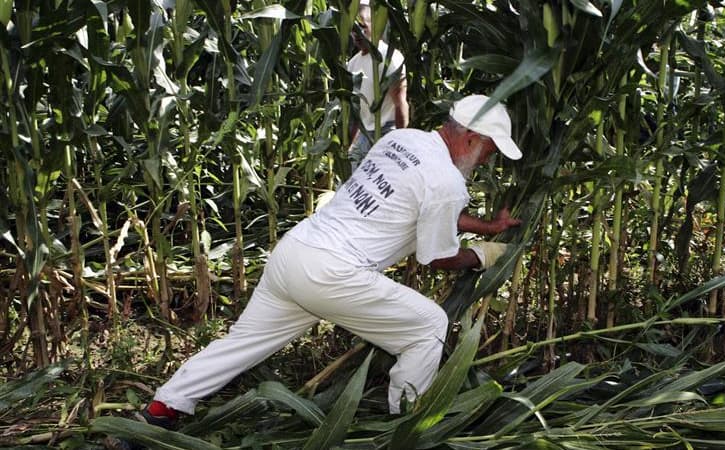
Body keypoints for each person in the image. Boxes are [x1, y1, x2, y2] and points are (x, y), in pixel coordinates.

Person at [106, 94, 522, 448]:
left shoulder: (402, 140)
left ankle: (159, 413)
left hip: (295, 252)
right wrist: (483, 255)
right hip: (333, 272)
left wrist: (486, 228)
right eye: (489, 151)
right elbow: (435, 256)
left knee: (241, 344)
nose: (486, 161)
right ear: (471, 138)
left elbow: (413, 204)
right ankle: (406, 427)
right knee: (428, 325)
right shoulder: (446, 182)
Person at [347, 2, 409, 171]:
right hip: (364, 134)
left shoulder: (391, 58)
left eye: (361, 27)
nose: (356, 33)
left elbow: (400, 103)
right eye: (353, 29)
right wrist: (347, 145)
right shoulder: (352, 64)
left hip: (387, 133)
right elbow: (354, 111)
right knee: (350, 181)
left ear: (376, 25)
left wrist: (400, 145)